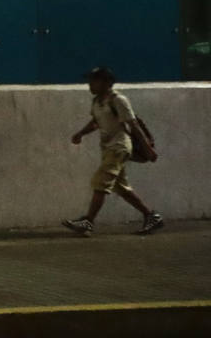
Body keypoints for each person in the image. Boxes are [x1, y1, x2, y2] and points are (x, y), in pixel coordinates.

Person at [64, 66, 163, 237]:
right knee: (121, 186)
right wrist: (81, 133)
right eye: (90, 81)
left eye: (94, 81)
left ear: (107, 82)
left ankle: (88, 221)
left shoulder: (119, 100)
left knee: (100, 181)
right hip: (107, 148)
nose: (90, 85)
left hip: (119, 147)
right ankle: (151, 216)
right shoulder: (97, 102)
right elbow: (96, 122)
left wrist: (148, 149)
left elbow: (134, 125)